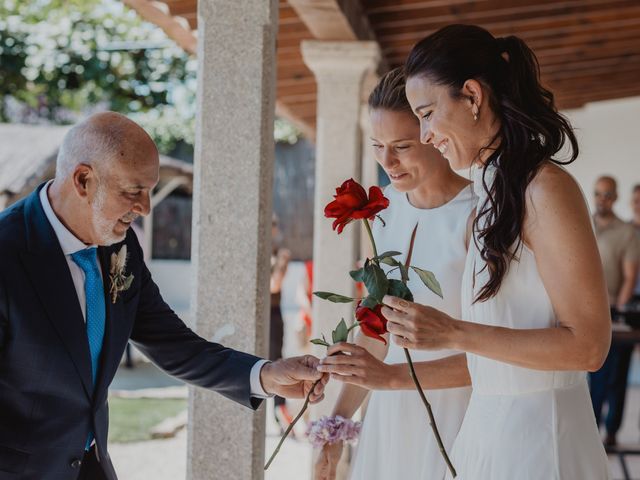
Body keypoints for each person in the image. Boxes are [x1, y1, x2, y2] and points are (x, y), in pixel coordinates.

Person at [0, 112, 327, 480]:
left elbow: (170, 341)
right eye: (132, 191)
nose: (145, 208)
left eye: (149, 190)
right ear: (83, 180)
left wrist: (264, 375)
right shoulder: (7, 253)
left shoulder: (119, 247)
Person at [384, 24, 612, 479]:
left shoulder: (546, 189)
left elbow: (589, 346)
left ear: (471, 96)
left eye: (427, 113)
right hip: (486, 434)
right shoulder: (489, 195)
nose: (426, 135)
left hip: (541, 443)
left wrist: (453, 331)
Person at [314, 67, 475, 480]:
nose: (387, 161)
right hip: (389, 414)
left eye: (401, 145)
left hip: (458, 410)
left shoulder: (477, 216)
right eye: (377, 145)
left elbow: (493, 349)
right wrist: (336, 427)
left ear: (435, 136)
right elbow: (375, 333)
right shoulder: (384, 214)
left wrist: (389, 379)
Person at [589, 176, 640, 446]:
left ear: (615, 197)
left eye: (607, 194)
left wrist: (617, 310)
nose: (602, 199)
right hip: (585, 310)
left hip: (612, 311)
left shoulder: (626, 233)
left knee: (616, 375)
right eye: (598, 194)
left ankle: (611, 431)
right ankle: (591, 430)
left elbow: (630, 277)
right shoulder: (584, 224)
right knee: (593, 374)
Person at [269, 215, 293, 429]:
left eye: (273, 225)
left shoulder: (280, 255)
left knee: (276, 359)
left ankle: (280, 412)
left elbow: (274, 286)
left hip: (273, 313)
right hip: (258, 313)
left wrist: (281, 264)